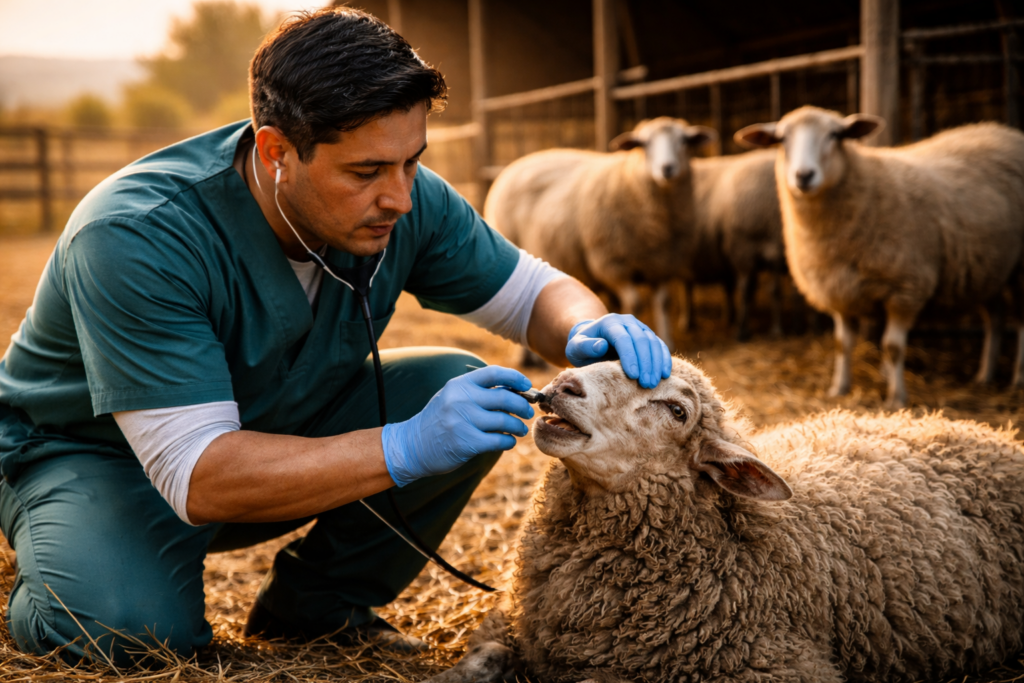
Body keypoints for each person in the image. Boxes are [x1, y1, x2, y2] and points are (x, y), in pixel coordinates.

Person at [0, 7, 672, 665]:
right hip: (94, 454)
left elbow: (531, 292)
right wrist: (406, 446)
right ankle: (62, 558)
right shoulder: (137, 236)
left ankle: (318, 607)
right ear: (276, 152)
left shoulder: (400, 195)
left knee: (453, 384)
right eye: (366, 172)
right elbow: (197, 474)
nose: (401, 198)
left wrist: (586, 323)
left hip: (261, 428)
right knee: (127, 629)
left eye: (413, 161)